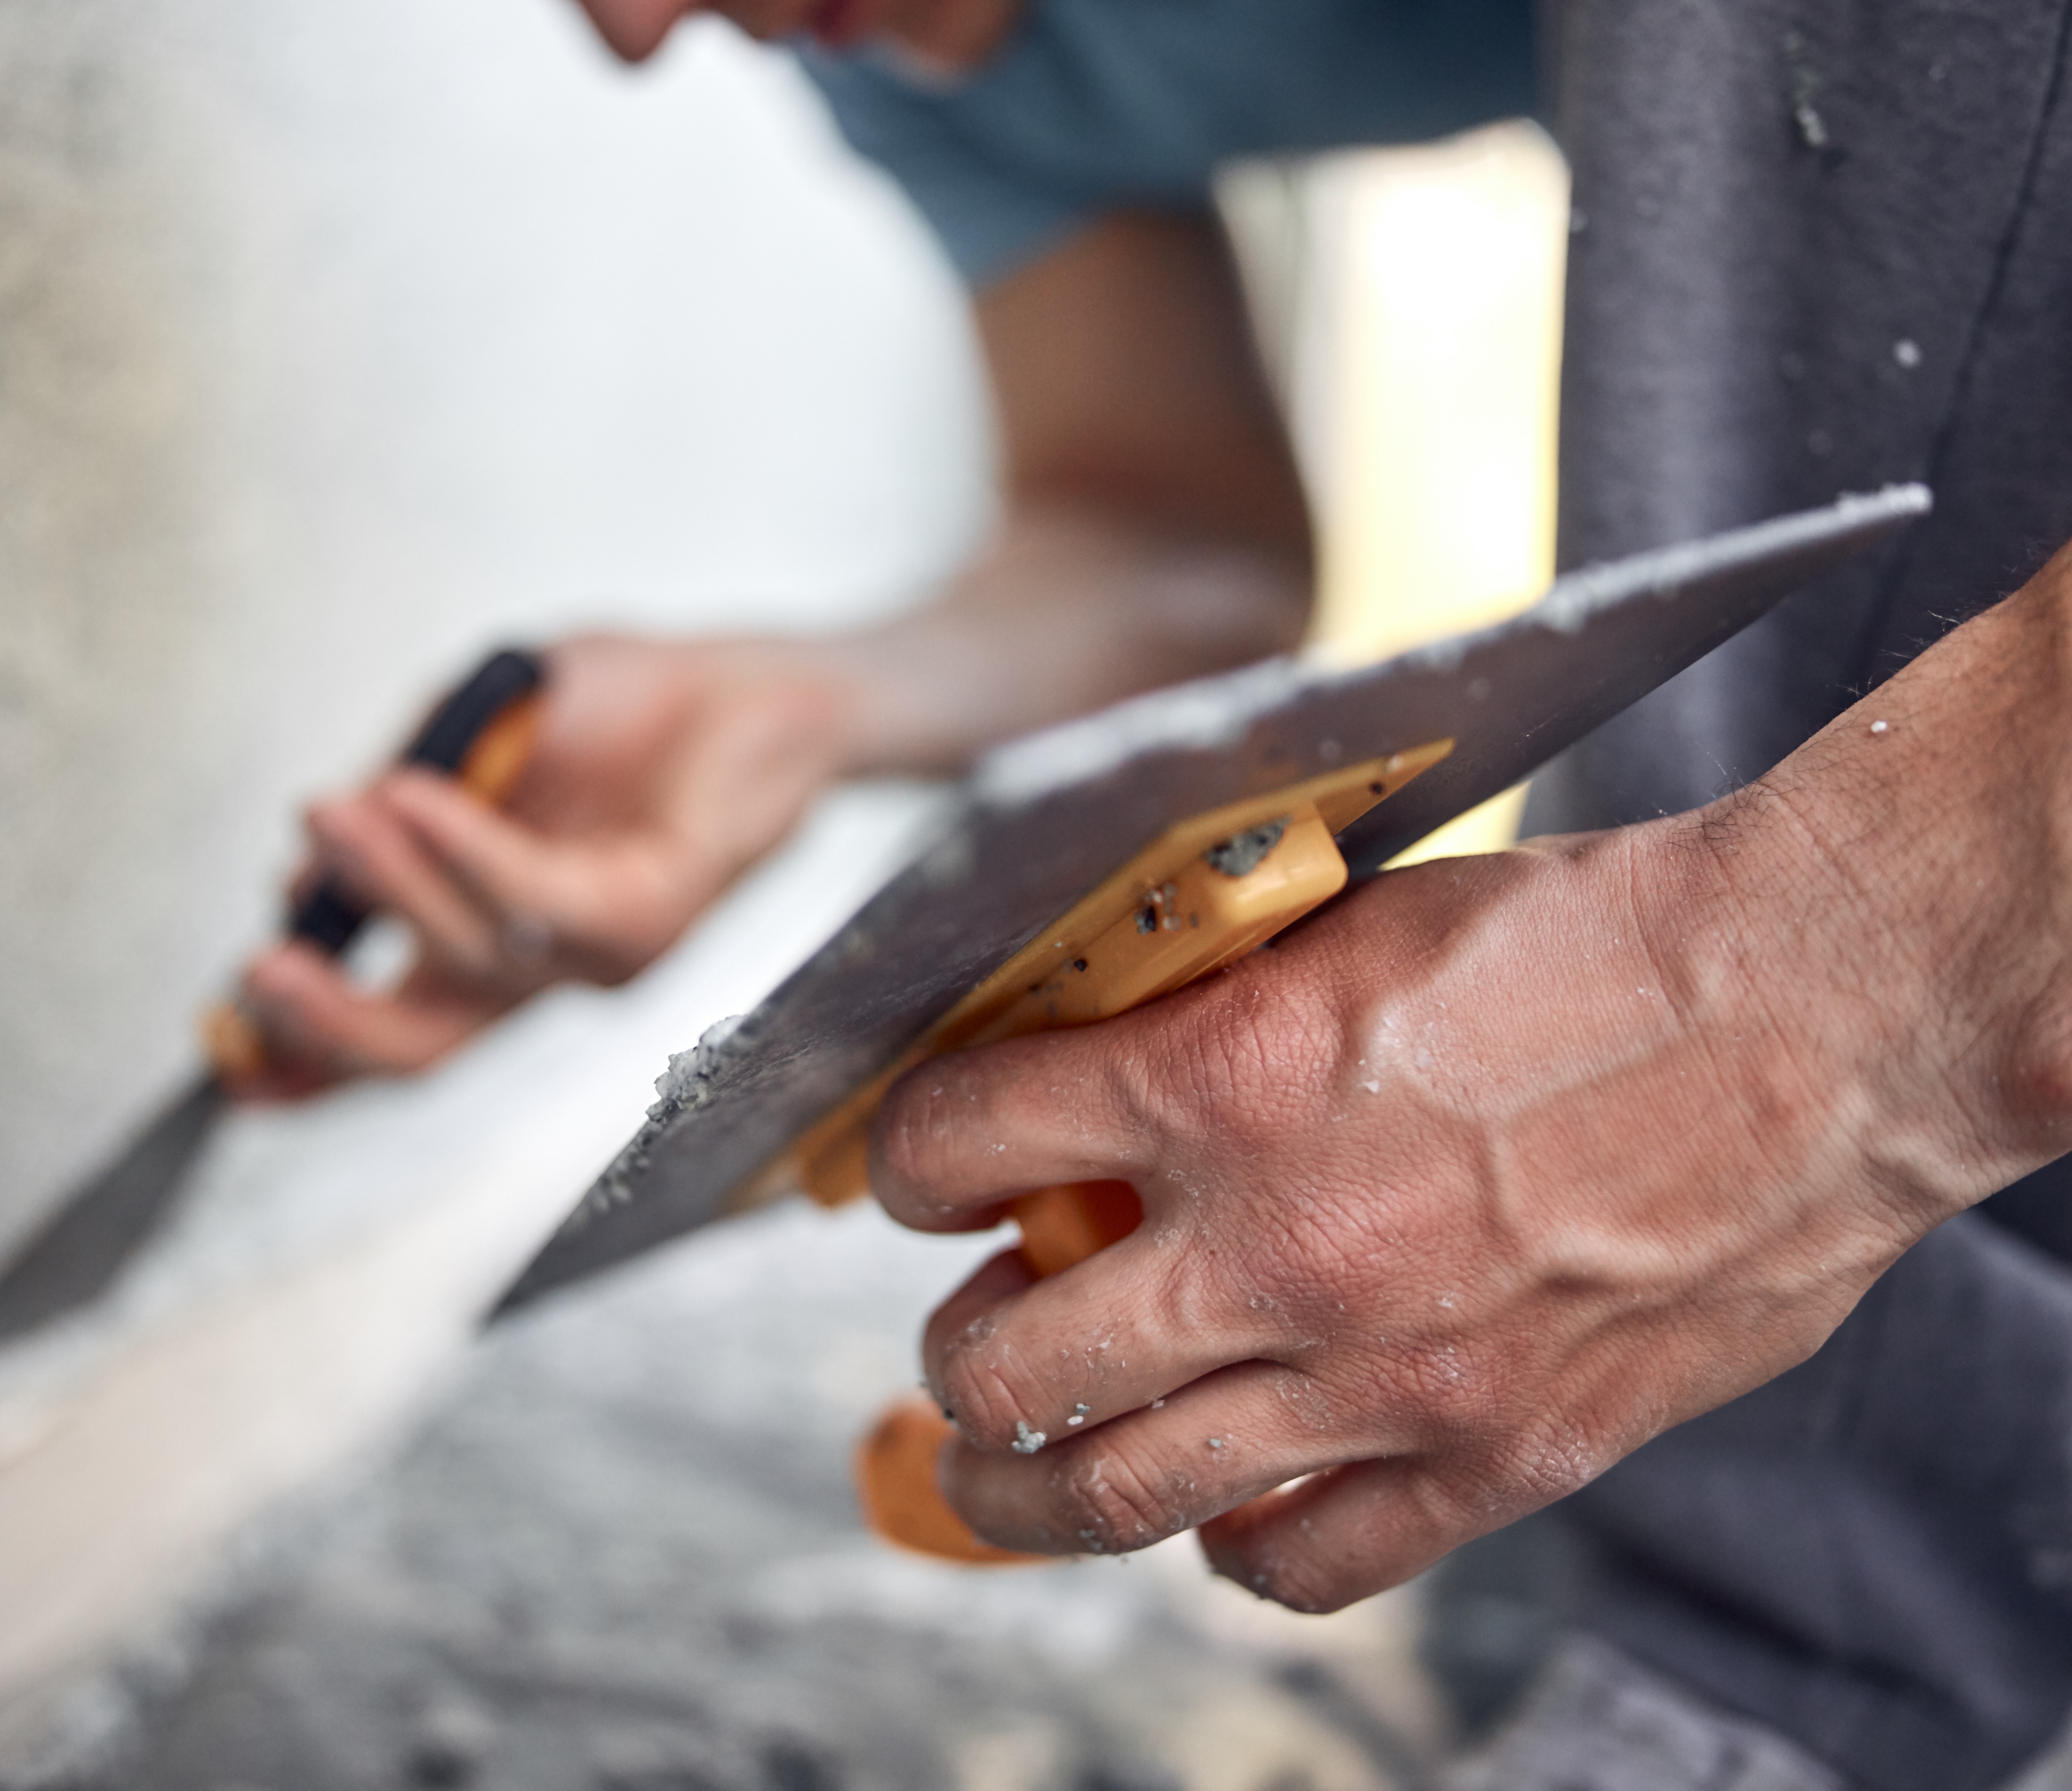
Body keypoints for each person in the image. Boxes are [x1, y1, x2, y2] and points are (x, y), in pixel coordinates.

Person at [240, 3, 2072, 1785]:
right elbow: (1173, 534)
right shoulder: (896, 42)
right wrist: (819, 708)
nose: (638, 34)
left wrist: (1809, 1006)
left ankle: (1797, 1641)